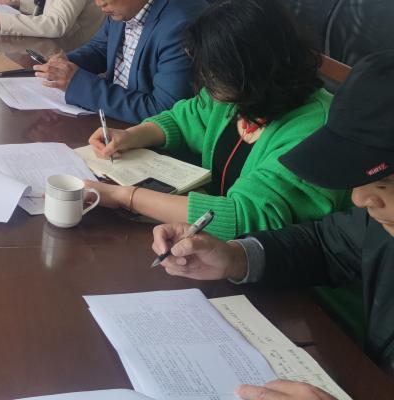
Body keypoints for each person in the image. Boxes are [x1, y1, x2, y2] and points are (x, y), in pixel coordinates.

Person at [151, 50, 394, 396]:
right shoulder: (381, 223)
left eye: (384, 182)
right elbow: (326, 244)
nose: (359, 199)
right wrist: (235, 257)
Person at [83, 0, 347, 239]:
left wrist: (125, 197)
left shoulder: (316, 130)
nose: (207, 83)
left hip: (278, 263)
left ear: (254, 68)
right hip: (213, 243)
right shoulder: (240, 93)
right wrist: (131, 136)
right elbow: (184, 118)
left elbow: (244, 216)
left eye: (214, 73)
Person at [34, 0, 206, 123]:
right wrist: (65, 64)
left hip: (140, 131)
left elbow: (163, 112)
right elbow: (101, 47)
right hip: (112, 116)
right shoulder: (125, 0)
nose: (98, 3)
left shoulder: (182, 26)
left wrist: (77, 83)